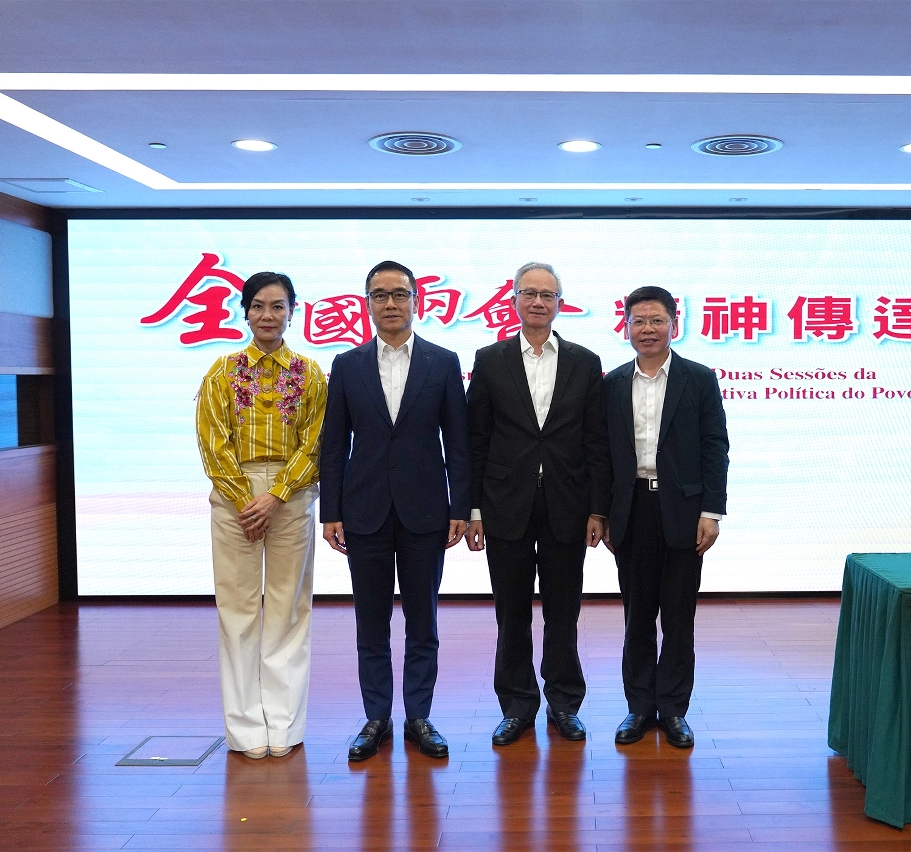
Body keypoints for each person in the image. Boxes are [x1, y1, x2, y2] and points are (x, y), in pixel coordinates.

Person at [319, 260, 471, 761]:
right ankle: (376, 717)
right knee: (371, 622)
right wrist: (331, 510)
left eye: (399, 295)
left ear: (416, 301)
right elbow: (333, 442)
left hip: (427, 512)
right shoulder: (346, 365)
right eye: (380, 295)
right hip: (363, 513)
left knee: (423, 622)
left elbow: (459, 442)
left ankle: (420, 717)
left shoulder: (443, 362)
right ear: (367, 303)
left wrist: (460, 507)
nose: (390, 304)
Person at [465, 262, 611, 746]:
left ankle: (564, 702)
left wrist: (597, 509)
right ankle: (517, 705)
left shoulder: (585, 363)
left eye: (548, 295)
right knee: (510, 612)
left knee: (563, 610)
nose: (538, 302)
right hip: (505, 504)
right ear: (513, 301)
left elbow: (596, 442)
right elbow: (475, 439)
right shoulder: (490, 360)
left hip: (568, 506)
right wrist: (474, 510)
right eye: (529, 293)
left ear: (559, 303)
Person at [196, 271, 327, 760]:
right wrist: (243, 498)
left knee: (289, 611)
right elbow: (212, 443)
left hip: (291, 496)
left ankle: (285, 724)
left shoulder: (312, 373)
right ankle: (245, 727)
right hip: (234, 498)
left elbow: (316, 444)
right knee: (238, 610)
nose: (267, 315)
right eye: (257, 306)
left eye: (277, 306)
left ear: (294, 311)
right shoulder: (222, 370)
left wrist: (276, 495)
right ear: (244, 312)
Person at [603, 286, 729, 749]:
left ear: (674, 325)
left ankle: (673, 709)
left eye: (656, 320)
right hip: (631, 510)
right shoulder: (612, 383)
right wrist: (602, 512)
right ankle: (639, 707)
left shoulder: (698, 379)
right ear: (627, 327)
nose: (647, 329)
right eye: (638, 321)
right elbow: (601, 456)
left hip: (684, 510)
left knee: (678, 615)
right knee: (637, 614)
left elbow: (716, 447)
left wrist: (711, 511)